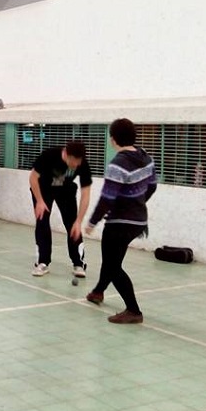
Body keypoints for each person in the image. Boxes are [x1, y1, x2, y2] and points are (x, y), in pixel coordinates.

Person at [85, 118, 157, 324]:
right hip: (138, 221)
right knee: (113, 260)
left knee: (113, 265)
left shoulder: (117, 164)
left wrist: (92, 222)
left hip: (119, 223)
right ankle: (98, 291)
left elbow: (108, 198)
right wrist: (137, 203)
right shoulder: (146, 157)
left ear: (113, 139)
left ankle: (133, 310)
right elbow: (152, 186)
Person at [29, 141, 92, 277]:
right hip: (43, 189)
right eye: (74, 161)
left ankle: (78, 263)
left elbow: (86, 193)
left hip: (66, 190)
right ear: (66, 155)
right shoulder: (49, 155)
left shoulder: (83, 163)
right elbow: (33, 178)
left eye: (79, 162)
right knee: (42, 221)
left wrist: (79, 221)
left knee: (72, 225)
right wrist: (39, 201)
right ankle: (42, 262)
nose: (76, 165)